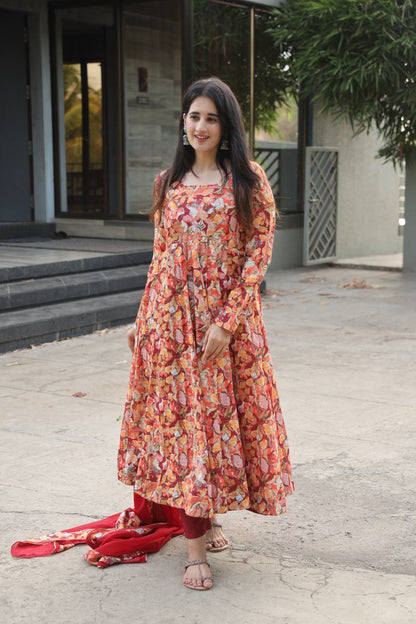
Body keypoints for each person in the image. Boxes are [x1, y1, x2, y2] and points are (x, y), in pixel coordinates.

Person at [119, 77, 294, 591]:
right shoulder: (167, 182)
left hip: (225, 325)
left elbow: (258, 256)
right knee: (186, 428)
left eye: (211, 118)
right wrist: (142, 318)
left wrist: (227, 321)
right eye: (194, 116)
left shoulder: (248, 180)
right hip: (171, 325)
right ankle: (194, 546)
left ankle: (209, 515)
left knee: (217, 426)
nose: (200, 126)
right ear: (183, 122)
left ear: (226, 125)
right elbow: (160, 257)